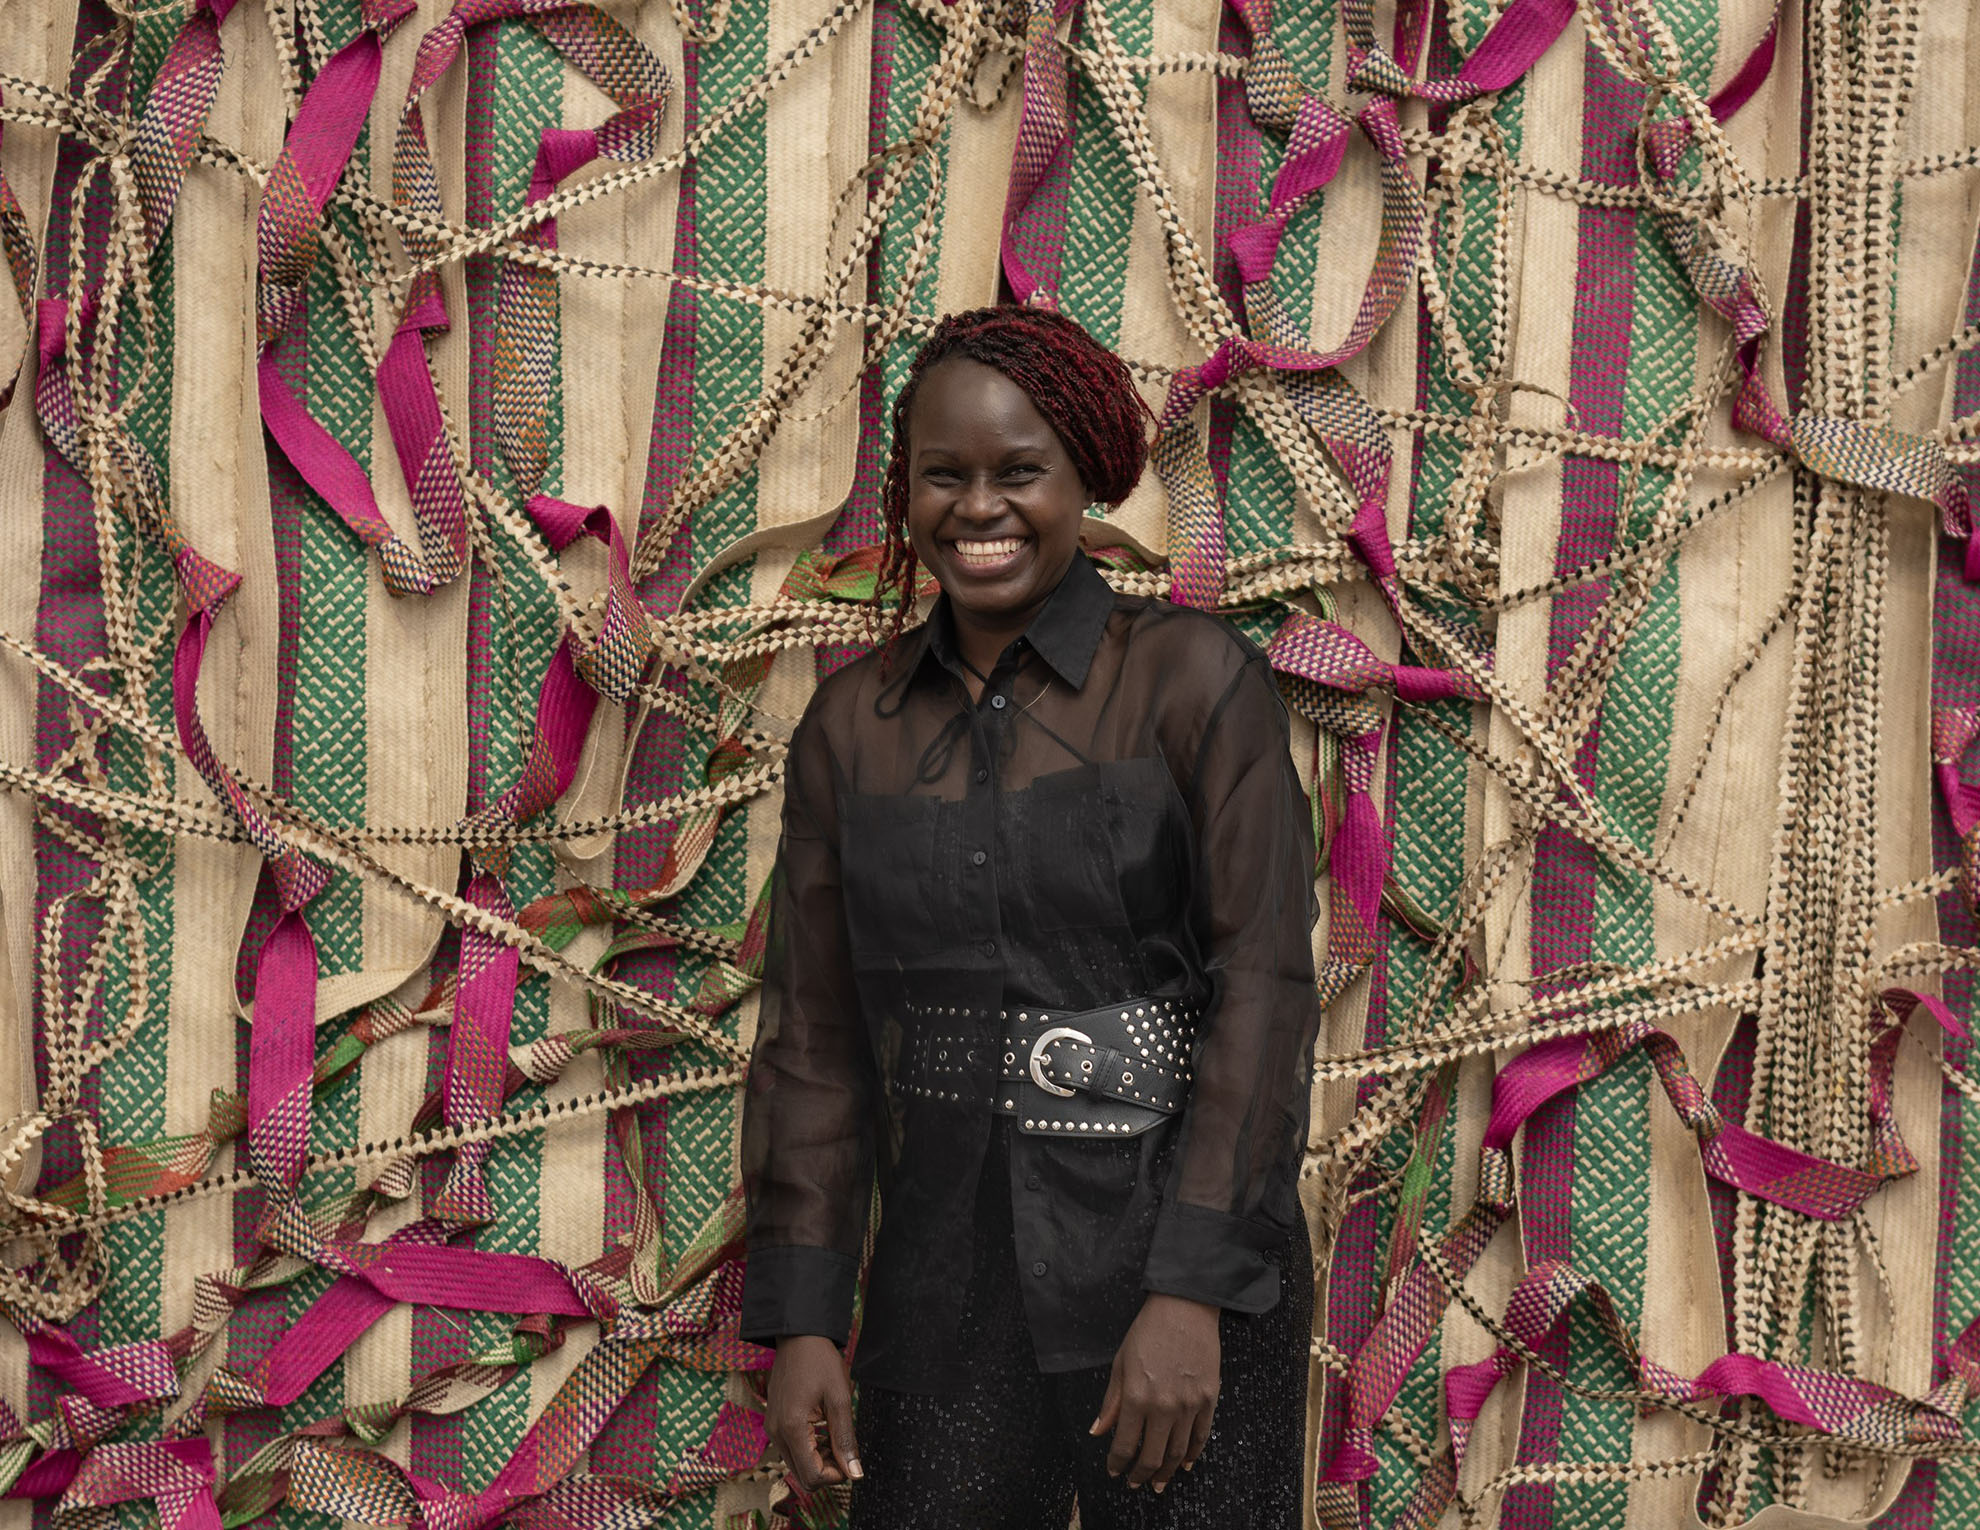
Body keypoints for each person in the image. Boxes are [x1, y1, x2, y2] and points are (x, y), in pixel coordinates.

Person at [739, 305, 1321, 1528]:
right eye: (941, 477)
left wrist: (1191, 1291)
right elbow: (814, 1041)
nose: (978, 507)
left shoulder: (1196, 683)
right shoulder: (851, 731)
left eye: (1019, 471)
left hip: (1173, 1260)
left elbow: (1263, 990)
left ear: (1084, 474)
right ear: (905, 495)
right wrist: (803, 1319)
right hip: (945, 1284)